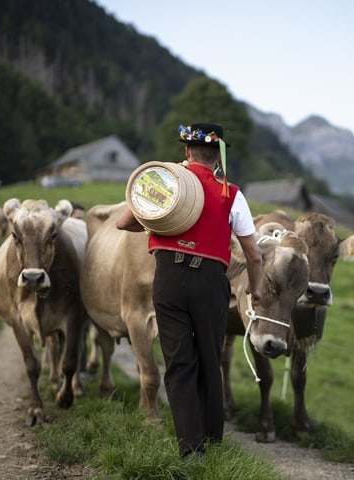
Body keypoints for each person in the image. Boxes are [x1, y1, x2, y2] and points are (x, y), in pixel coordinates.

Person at [116, 122, 263, 457]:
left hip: (168, 278)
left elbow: (123, 222)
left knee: (179, 362)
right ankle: (212, 440)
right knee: (210, 359)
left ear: (186, 151)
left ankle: (189, 449)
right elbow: (253, 255)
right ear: (218, 156)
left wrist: (162, 218)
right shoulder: (231, 192)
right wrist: (255, 290)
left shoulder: (169, 182)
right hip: (211, 282)